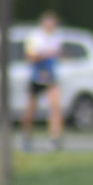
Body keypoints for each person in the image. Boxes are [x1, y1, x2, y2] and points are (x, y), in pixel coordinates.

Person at [21, 11, 64, 150]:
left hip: (50, 76)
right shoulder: (35, 37)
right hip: (36, 76)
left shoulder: (56, 38)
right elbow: (30, 57)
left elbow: (58, 56)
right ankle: (27, 136)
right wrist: (45, 54)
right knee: (31, 110)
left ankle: (55, 138)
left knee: (55, 106)